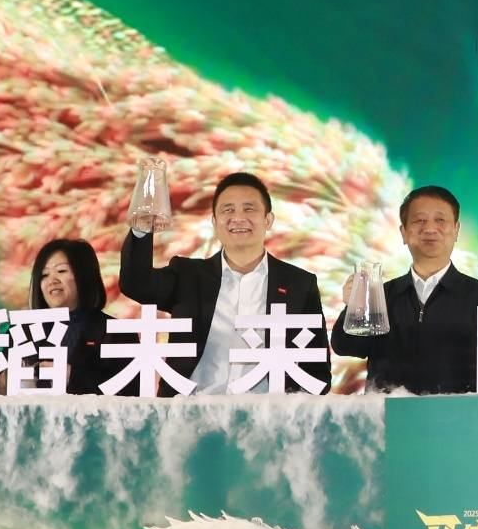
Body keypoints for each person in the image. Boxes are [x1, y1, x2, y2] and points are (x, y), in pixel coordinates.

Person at [118, 168, 326, 394]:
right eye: (228, 210)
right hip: (191, 407)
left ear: (268, 220)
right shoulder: (188, 275)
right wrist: (141, 230)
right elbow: (136, 283)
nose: (238, 218)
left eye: (249, 208)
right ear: (214, 222)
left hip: (266, 411)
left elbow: (317, 371)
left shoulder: (299, 284)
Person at [331, 184, 478, 395]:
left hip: (458, 414)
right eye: (419, 220)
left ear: (456, 230)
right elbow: (346, 346)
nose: (430, 229)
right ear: (404, 233)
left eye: (440, 220)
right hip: (388, 413)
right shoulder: (380, 296)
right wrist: (354, 307)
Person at [24, 236, 114, 396]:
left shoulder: (114, 332)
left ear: (84, 276)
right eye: (44, 275)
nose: (52, 280)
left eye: (61, 271)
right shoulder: (24, 330)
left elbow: (129, 392)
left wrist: (72, 375)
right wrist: (3, 380)